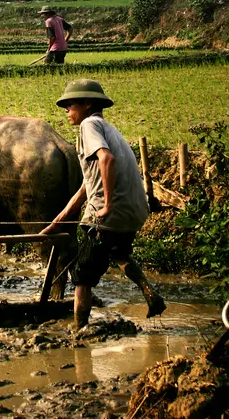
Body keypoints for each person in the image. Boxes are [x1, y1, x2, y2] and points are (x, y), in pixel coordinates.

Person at [41, 79, 166, 329]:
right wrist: (59, 220)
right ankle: (151, 295)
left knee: (81, 276)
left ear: (87, 105)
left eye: (70, 104)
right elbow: (88, 185)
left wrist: (107, 205)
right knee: (118, 253)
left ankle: (79, 330)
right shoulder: (108, 128)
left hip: (108, 214)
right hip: (133, 212)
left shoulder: (89, 125)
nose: (66, 110)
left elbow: (105, 159)